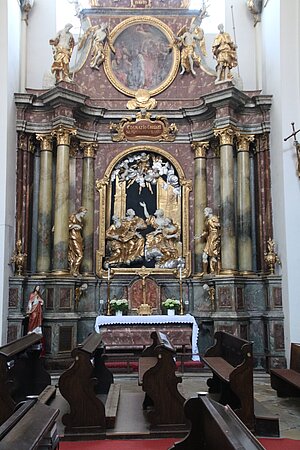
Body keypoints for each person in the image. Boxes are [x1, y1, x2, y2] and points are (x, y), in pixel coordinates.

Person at [201, 207, 221, 275]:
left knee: (213, 254)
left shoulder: (214, 218)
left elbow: (219, 225)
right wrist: (201, 235)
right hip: (209, 238)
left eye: (205, 211)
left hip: (214, 237)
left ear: (209, 211)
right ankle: (205, 272)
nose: (204, 213)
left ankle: (213, 271)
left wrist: (215, 224)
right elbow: (206, 231)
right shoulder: (207, 221)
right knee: (204, 255)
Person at [68, 207, 87, 276]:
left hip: (79, 238)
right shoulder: (73, 217)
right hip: (73, 238)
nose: (84, 215)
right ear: (80, 211)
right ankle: (74, 270)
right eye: (84, 213)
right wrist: (74, 225)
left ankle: (75, 271)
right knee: (80, 255)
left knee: (76, 255)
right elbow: (66, 225)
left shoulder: (81, 220)